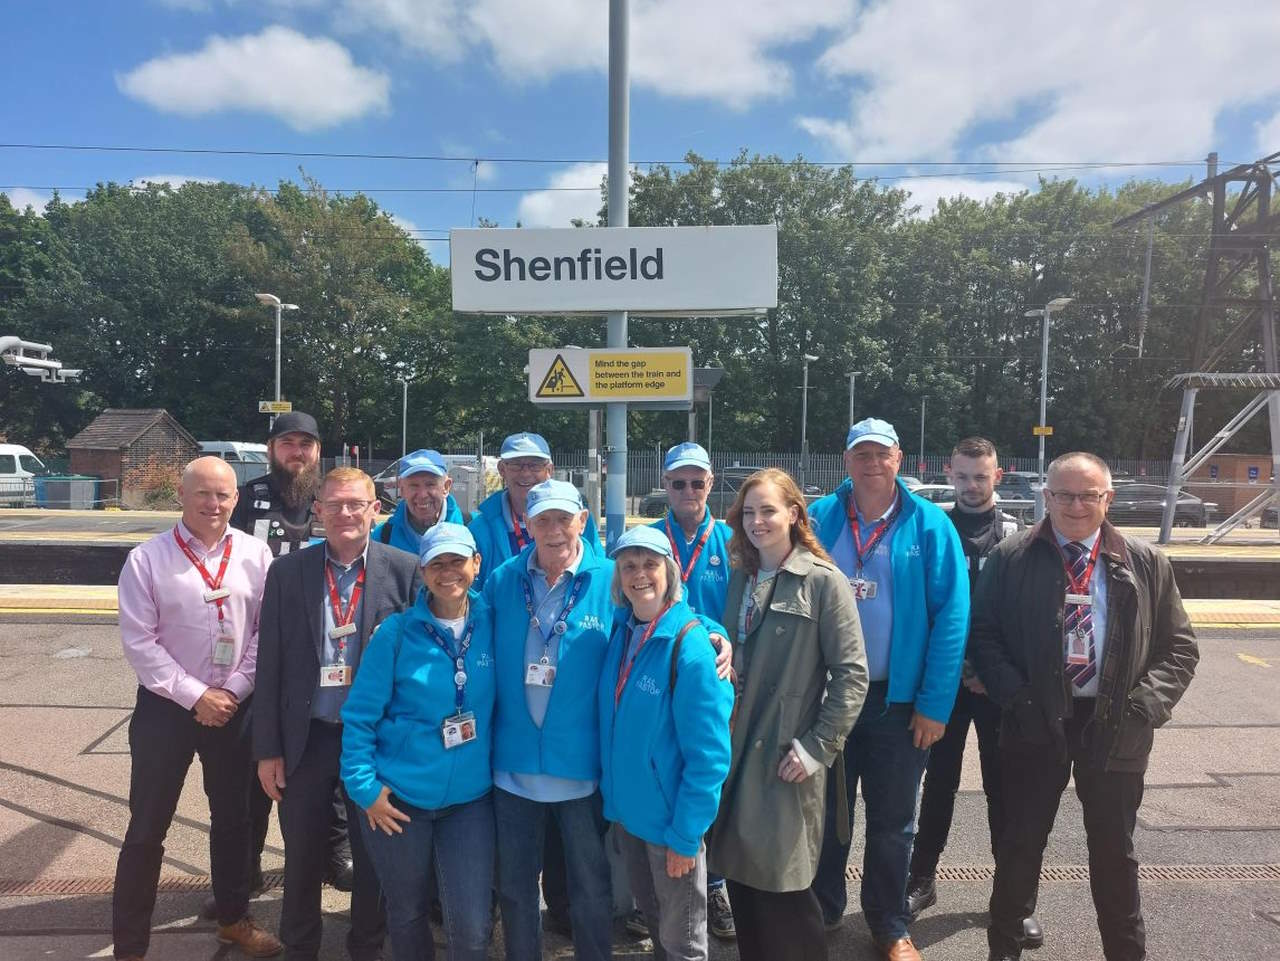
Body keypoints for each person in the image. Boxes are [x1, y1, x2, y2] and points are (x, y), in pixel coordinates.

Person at [970, 452, 1198, 961]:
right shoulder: (1011, 558)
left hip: (1116, 724)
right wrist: (1018, 698)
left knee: (1115, 856)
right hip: (1035, 720)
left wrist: (1140, 710)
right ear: (1045, 497)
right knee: (1019, 848)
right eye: (1064, 495)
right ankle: (1003, 951)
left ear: (1107, 499)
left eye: (1087, 495)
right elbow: (984, 638)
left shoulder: (1147, 562)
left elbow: (1179, 648)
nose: (1075, 505)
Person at [808, 418, 968, 961]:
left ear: (899, 459)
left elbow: (952, 618)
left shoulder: (928, 525)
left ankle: (888, 921)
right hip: (828, 698)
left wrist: (933, 704)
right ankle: (823, 908)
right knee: (827, 817)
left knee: (894, 821)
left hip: (898, 703)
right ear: (846, 461)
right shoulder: (820, 518)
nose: (871, 463)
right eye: (861, 455)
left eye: (881, 454)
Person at [112, 456, 282, 960]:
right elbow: (140, 644)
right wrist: (195, 695)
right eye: (203, 493)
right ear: (182, 497)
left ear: (235, 499)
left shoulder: (256, 554)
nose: (213, 504)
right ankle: (130, 943)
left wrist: (233, 689)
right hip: (167, 709)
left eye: (223, 495)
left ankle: (233, 919)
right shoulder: (146, 559)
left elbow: (263, 631)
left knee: (234, 820)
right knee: (147, 825)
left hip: (234, 707)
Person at [253, 467, 420, 961]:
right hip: (308, 738)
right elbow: (270, 667)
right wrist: (267, 750)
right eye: (334, 504)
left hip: (373, 743)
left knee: (374, 856)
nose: (345, 513)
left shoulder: (405, 570)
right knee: (301, 855)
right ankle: (300, 947)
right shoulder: (288, 573)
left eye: (356, 504)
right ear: (318, 512)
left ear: (375, 509)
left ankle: (365, 946)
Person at [708, 468, 868, 961]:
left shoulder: (823, 583)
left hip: (784, 754)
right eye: (748, 512)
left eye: (768, 510)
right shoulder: (742, 575)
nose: (757, 521)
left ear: (794, 514)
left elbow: (852, 675)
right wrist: (717, 642)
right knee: (744, 886)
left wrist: (815, 748)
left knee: (785, 893)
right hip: (736, 750)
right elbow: (738, 646)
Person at [905, 438, 1043, 944]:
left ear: (998, 477)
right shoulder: (933, 527)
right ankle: (921, 879)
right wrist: (945, 672)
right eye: (961, 476)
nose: (970, 486)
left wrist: (994, 673)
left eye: (979, 477)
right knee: (936, 783)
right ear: (949, 473)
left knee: (1003, 789)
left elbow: (1025, 616)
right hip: (942, 684)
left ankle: (1012, 900)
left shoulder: (1018, 535)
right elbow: (919, 605)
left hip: (995, 685)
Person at [341, 523, 497, 961]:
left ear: (476, 564)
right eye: (437, 564)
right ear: (423, 571)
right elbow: (359, 718)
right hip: (399, 801)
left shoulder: (493, 621)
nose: (448, 572)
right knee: (406, 914)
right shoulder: (395, 634)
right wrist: (364, 790)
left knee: (471, 927)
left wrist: (708, 632)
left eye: (458, 561)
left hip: (470, 802)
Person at [219, 410, 351, 924]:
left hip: (324, 648)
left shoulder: (329, 500)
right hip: (255, 648)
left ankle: (334, 855)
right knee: (254, 769)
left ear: (319, 452)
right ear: (271, 448)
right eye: (288, 444)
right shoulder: (245, 499)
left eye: (307, 445)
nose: (298, 453)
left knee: (329, 763)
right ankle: (244, 870)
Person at [483, 478, 617, 961]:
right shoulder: (501, 580)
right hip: (514, 768)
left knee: (590, 888)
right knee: (516, 889)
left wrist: (710, 633)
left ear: (583, 520)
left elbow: (666, 611)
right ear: (527, 525)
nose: (555, 530)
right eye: (543, 520)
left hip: (581, 769)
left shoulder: (611, 578)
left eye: (565, 518)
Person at [599, 526, 734, 961]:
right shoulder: (624, 630)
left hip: (671, 827)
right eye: (629, 566)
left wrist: (684, 835)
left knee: (684, 944)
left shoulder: (689, 648)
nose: (640, 575)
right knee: (659, 931)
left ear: (670, 572)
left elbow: (709, 759)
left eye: (650, 564)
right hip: (633, 819)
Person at [646, 441, 737, 941]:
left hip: (712, 679)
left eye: (696, 482)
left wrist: (730, 648)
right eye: (678, 482)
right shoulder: (647, 538)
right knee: (664, 774)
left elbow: (744, 608)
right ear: (665, 484)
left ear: (711, 482)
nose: (687, 491)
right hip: (656, 676)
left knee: (708, 775)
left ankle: (714, 883)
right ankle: (658, 889)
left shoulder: (729, 540)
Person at [469, 431, 603, 587]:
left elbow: (598, 575)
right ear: (502, 469)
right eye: (516, 464)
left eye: (535, 465)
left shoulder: (575, 520)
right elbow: (473, 593)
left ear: (549, 470)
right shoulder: (479, 529)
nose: (525, 473)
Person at [371, 448, 467, 553]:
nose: (422, 495)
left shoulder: (473, 529)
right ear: (402, 490)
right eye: (414, 486)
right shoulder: (382, 537)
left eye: (430, 484)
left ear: (446, 487)